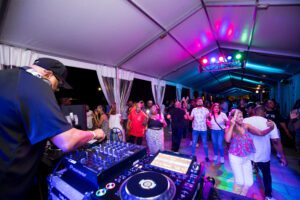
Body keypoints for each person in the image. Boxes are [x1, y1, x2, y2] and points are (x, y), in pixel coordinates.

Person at [0, 58, 105, 199]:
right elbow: (67, 141)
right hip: (10, 183)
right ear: (48, 74)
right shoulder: (36, 83)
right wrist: (94, 133)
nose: (57, 89)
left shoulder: (6, 76)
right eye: (59, 83)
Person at [225, 109, 275, 196]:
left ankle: (242, 197)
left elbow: (261, 133)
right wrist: (232, 125)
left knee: (249, 182)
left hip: (246, 158)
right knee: (239, 182)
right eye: (239, 117)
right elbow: (227, 139)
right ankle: (235, 197)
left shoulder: (246, 126)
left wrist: (271, 128)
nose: (241, 119)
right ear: (233, 118)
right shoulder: (230, 128)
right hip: (235, 157)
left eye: (242, 116)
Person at [244, 106, 287, 200]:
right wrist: (282, 156)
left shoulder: (246, 120)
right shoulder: (270, 123)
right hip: (263, 155)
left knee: (246, 173)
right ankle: (268, 196)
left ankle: (243, 192)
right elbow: (275, 141)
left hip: (248, 154)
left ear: (254, 112)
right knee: (266, 175)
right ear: (265, 113)